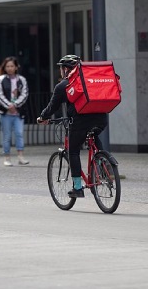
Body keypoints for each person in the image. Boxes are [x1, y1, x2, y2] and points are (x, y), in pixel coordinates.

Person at [37, 55, 108, 198]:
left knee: (73, 151)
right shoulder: (90, 81)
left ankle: (77, 187)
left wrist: (42, 117)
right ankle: (103, 166)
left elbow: (52, 107)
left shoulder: (64, 85)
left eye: (61, 68)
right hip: (101, 118)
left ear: (65, 69)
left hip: (80, 122)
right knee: (94, 136)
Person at [0, 56, 29, 166]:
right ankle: (7, 157)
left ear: (16, 67)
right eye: (7, 66)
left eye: (12, 66)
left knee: (19, 133)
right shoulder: (1, 79)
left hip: (18, 112)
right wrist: (9, 105)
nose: (10, 68)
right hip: (6, 113)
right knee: (7, 135)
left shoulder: (21, 80)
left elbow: (24, 94)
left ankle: (20, 156)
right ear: (4, 67)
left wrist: (16, 104)